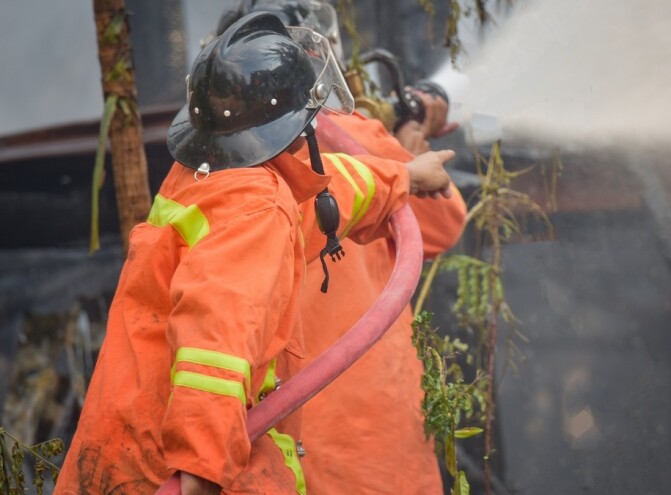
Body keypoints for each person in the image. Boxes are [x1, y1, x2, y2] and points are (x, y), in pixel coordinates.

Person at [55, 12, 452, 495]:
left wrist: (405, 177)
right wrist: (200, 470)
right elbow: (214, 340)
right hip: (183, 466)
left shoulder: (205, 178)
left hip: (132, 444)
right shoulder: (256, 209)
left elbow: (320, 200)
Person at [210, 2, 468, 492]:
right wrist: (408, 155)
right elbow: (443, 223)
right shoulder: (351, 139)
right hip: (373, 436)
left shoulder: (210, 168)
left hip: (280, 435)